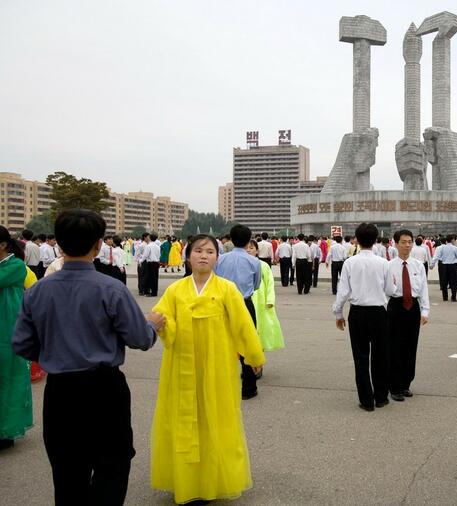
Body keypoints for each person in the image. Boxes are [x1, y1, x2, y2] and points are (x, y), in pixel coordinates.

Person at [12, 209, 161, 504]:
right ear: (98, 245)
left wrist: (55, 350)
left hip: (61, 391)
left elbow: (22, 344)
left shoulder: (38, 291)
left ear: (60, 245)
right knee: (112, 465)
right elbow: (139, 338)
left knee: (67, 472)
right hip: (105, 389)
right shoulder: (112, 289)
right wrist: (152, 325)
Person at [151, 234, 265, 503]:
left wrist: (254, 356)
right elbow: (162, 318)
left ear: (217, 257)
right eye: (198, 251)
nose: (203, 256)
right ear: (188, 256)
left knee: (215, 419)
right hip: (181, 366)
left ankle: (212, 481)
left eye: (210, 252)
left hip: (217, 367)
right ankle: (185, 480)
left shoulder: (227, 289)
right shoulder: (175, 291)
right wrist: (162, 324)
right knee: (184, 421)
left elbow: (243, 326)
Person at [332, 223, 393, 411]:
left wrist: (338, 313)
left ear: (357, 240)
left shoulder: (350, 263)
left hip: (357, 312)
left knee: (360, 357)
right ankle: (381, 396)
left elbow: (343, 292)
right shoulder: (384, 264)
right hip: (378, 312)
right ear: (376, 240)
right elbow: (391, 290)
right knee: (380, 355)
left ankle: (366, 400)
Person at [214, 225, 262, 400]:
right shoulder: (254, 262)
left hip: (222, 304)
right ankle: (249, 388)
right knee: (247, 342)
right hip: (244, 304)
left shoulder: (220, 260)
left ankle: (222, 386)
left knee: (221, 343)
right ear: (249, 240)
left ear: (231, 239)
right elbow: (256, 285)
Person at [385, 229, 429, 402]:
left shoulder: (418, 265)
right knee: (394, 347)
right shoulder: (388, 266)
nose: (407, 245)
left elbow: (424, 288)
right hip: (395, 307)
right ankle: (394, 386)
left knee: (411, 347)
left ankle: (405, 384)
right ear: (396, 244)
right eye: (403, 242)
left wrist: (425, 311)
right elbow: (384, 292)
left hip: (413, 308)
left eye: (409, 241)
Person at [0, 227, 32, 451]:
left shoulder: (15, 266)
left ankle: (6, 431)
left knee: (8, 381)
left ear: (3, 245)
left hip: (7, 333)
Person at [247, 240, 284, 352]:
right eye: (246, 248)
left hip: (261, 300)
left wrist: (270, 300)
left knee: (261, 326)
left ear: (257, 251)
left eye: (251, 248)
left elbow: (270, 283)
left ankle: (259, 355)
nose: (248, 250)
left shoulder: (263, 265)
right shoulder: (241, 264)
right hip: (246, 298)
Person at [431, 234, 457, 302]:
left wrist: (432, 264)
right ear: (452, 240)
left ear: (446, 240)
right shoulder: (455, 248)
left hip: (444, 266)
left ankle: (445, 297)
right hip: (453, 266)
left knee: (444, 282)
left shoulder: (441, 248)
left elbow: (436, 256)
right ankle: (453, 297)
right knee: (454, 282)